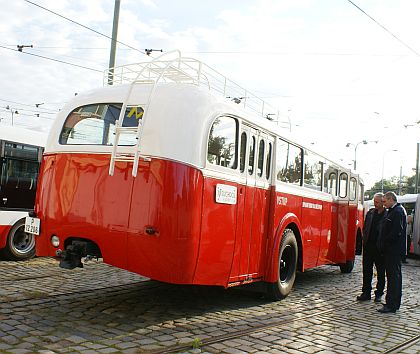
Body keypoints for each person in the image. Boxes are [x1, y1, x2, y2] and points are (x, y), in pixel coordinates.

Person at [377, 191, 407, 314]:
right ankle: (391, 302)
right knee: (393, 277)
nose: (383, 204)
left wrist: (385, 242)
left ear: (390, 199)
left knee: (394, 277)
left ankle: (392, 304)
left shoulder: (398, 211)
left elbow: (396, 232)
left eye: (384, 201)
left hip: (393, 250)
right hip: (391, 250)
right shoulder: (394, 211)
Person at [357, 193, 385, 303]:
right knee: (367, 271)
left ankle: (379, 293)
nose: (375, 204)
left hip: (379, 248)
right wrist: (364, 240)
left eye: (377, 202)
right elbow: (365, 227)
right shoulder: (370, 213)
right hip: (368, 246)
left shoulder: (386, 214)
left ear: (383, 202)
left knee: (380, 271)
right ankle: (366, 292)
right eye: (374, 201)